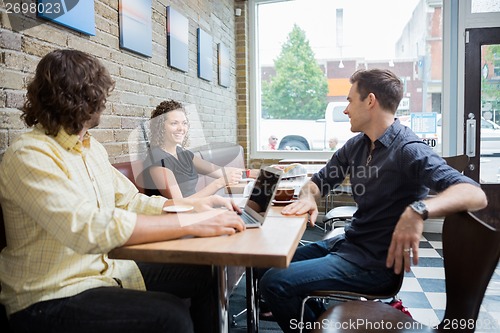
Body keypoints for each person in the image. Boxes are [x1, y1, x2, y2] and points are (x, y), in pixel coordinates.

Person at [0, 49, 246, 333]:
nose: (104, 102)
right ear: (84, 98)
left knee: (205, 272)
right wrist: (189, 222)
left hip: (104, 271)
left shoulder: (92, 150)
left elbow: (130, 200)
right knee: (171, 316)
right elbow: (86, 229)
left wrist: (193, 208)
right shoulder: (29, 154)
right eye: (100, 94)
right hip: (50, 295)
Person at [258, 68, 488, 333]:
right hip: (349, 246)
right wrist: (310, 197)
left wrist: (418, 210)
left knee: (275, 282)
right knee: (265, 264)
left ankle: (317, 324)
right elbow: (318, 182)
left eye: (349, 100)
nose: (345, 109)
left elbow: (474, 193)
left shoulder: (408, 150)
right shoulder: (356, 145)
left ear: (369, 101)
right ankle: (318, 320)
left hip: (374, 267)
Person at [143, 99, 245, 198]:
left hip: (196, 209)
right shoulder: (157, 158)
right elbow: (179, 204)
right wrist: (219, 183)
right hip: (178, 214)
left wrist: (254, 173)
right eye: (174, 123)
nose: (181, 128)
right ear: (160, 127)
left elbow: (220, 171)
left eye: (184, 123)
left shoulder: (183, 154)